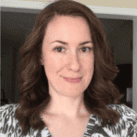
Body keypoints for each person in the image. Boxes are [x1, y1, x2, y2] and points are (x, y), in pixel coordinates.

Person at [0, 0, 137, 136]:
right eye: (59, 49)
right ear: (40, 55)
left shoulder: (125, 122)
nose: (75, 65)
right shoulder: (6, 121)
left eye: (84, 49)